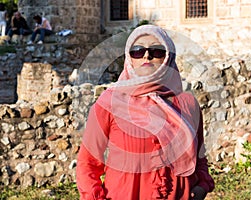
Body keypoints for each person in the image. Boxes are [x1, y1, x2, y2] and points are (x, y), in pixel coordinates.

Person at [76, 25, 215, 200]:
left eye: (157, 51)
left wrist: (202, 186)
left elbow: (199, 157)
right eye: (137, 51)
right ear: (129, 58)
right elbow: (88, 163)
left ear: (169, 57)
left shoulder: (187, 104)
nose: (146, 56)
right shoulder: (110, 103)